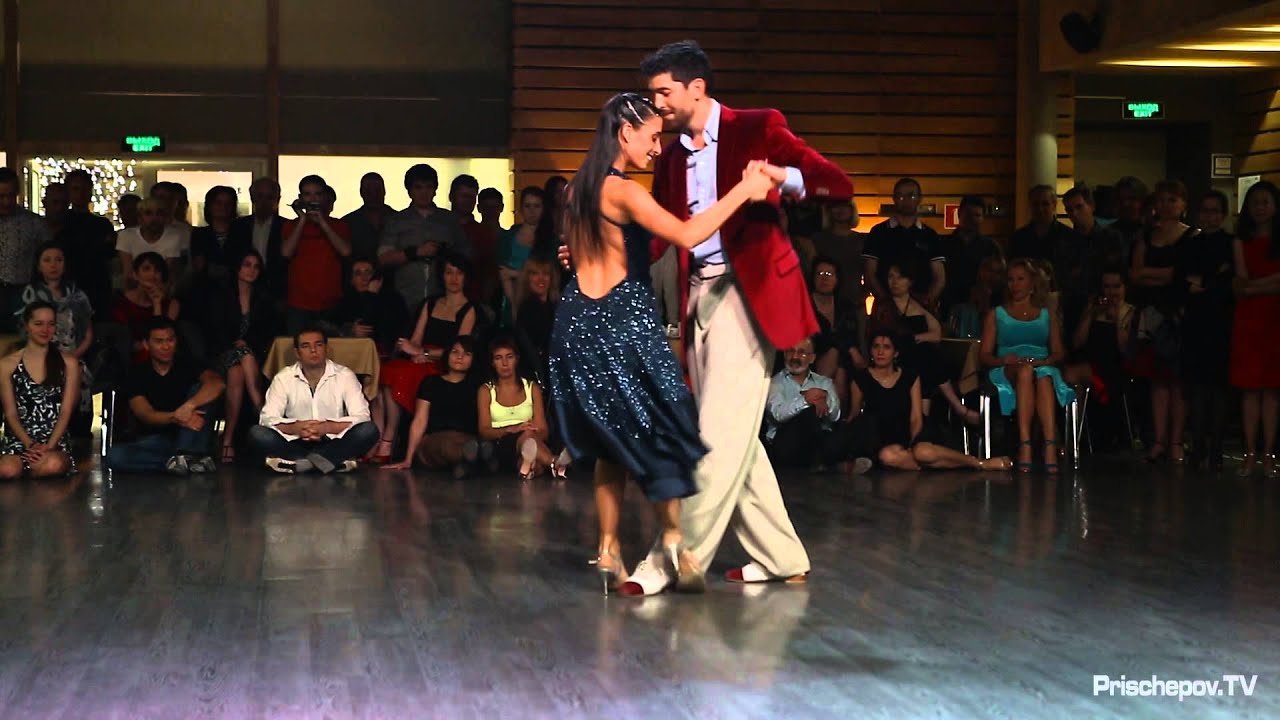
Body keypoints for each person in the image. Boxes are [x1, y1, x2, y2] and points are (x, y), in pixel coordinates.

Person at [616, 41, 852, 595]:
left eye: (663, 92)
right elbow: (663, 237)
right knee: (737, 434)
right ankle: (781, 554)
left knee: (715, 435)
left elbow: (836, 185)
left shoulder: (759, 127)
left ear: (696, 88)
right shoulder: (672, 157)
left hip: (751, 299)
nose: (657, 104)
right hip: (700, 298)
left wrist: (783, 178)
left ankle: (671, 560)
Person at [552, 86, 786, 596]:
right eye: (653, 138)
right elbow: (687, 235)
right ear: (625, 132)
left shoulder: (576, 188)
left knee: (610, 442)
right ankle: (677, 539)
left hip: (576, 320)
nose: (658, 149)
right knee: (666, 427)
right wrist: (741, 193)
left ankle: (609, 548)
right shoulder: (624, 191)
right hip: (620, 320)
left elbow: (589, 251)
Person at [850, 332, 1010, 471]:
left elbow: (916, 417)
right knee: (887, 456)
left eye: (886, 347)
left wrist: (911, 443)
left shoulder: (910, 377)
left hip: (912, 428)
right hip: (882, 436)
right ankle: (931, 465)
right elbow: (856, 415)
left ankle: (979, 463)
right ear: (870, 351)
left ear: (895, 353)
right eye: (876, 347)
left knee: (922, 452)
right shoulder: (861, 379)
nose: (880, 352)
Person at [371, 253, 477, 463]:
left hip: (444, 361)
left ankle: (388, 440)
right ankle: (381, 435)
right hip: (421, 357)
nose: (454, 278)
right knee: (387, 371)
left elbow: (460, 348)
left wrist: (425, 354)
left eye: (459, 273)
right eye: (448, 272)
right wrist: (412, 349)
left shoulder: (469, 309)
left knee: (400, 375)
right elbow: (416, 339)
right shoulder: (430, 303)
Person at [980, 259, 1074, 474]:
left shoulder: (1046, 314)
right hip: (1008, 367)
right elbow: (984, 355)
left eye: (1020, 279)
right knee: (1025, 372)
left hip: (1041, 365)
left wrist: (1045, 361)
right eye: (1011, 280)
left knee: (1043, 376)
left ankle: (1049, 445)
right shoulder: (997, 314)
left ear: (1032, 284)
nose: (1015, 284)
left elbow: (1059, 352)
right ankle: (1025, 445)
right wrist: (1004, 360)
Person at [1130, 180, 1197, 463]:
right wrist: (1162, 274)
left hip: (1180, 313)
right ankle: (1158, 441)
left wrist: (1154, 273)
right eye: (1162, 200)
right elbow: (1134, 274)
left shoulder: (1192, 236)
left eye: (1173, 200)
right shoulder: (1147, 235)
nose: (1167, 205)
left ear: (1183, 204)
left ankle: (1176, 441)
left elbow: (1180, 274)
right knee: (1157, 379)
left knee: (1178, 381)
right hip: (1152, 312)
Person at [250, 327, 378, 474]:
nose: (313, 350)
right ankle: (330, 461)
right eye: (306, 346)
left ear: (326, 348)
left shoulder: (345, 375)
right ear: (297, 353)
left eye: (318, 345)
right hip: (296, 440)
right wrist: (296, 428)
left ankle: (301, 463)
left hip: (333, 440)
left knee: (369, 430)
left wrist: (326, 427)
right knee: (257, 433)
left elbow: (362, 417)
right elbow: (267, 418)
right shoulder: (283, 377)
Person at [106, 317, 223, 475]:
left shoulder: (188, 365)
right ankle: (184, 461)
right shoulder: (136, 374)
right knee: (115, 456)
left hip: (190, 435)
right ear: (147, 345)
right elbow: (145, 414)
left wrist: (189, 406)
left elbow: (217, 383)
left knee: (200, 388)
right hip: (156, 440)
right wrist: (176, 417)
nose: (166, 346)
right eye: (159, 341)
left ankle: (185, 455)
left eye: (170, 340)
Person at [874, 264, 979, 425]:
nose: (894, 282)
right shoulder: (884, 306)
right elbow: (885, 337)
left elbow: (936, 334)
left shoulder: (919, 303)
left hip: (919, 358)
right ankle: (957, 409)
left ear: (910, 281)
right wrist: (915, 340)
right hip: (894, 356)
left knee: (926, 358)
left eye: (900, 277)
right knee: (926, 355)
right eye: (890, 277)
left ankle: (924, 424)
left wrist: (915, 338)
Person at [1180, 190, 1234, 469]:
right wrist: (1211, 279)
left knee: (1218, 388)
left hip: (1222, 321)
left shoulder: (1230, 243)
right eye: (1205, 210)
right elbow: (1183, 280)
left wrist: (1205, 282)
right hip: (1196, 322)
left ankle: (1216, 447)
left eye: (1215, 211)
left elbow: (1226, 281)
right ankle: (1198, 444)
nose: (1210, 216)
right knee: (1198, 387)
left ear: (1223, 215)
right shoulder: (1191, 242)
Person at [1230, 181, 1280, 478]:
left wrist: (1256, 287)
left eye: (1266, 202)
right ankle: (1249, 454)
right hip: (1249, 318)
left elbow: (1253, 284)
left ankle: (1269, 454)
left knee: (1272, 389)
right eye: (1254, 203)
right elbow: (1241, 284)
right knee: (1250, 389)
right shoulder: (1240, 241)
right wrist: (1268, 284)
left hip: (1275, 318)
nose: (1260, 208)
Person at [764, 337, 871, 473]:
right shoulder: (775, 382)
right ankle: (832, 465)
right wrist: (806, 400)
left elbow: (835, 416)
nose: (795, 356)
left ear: (812, 358)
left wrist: (824, 399)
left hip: (821, 441)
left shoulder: (824, 383)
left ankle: (823, 464)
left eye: (802, 353)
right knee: (809, 413)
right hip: (786, 444)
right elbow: (777, 414)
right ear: (785, 354)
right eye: (791, 351)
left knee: (861, 423)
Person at [209, 250, 275, 464]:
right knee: (242, 358)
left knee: (237, 372)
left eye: (256, 266)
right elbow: (216, 331)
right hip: (221, 352)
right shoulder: (222, 294)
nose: (252, 270)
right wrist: (238, 346)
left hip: (251, 358)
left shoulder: (262, 298)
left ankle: (227, 440)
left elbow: (266, 334)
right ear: (237, 267)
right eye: (247, 264)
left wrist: (248, 346)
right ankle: (262, 412)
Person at [0, 302, 79, 479]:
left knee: (52, 465)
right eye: (38, 324)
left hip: (54, 440)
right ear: (27, 325)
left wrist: (49, 446)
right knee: (7, 469)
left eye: (50, 324)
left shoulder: (68, 363)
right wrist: (30, 445)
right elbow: (10, 413)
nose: (45, 329)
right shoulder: (7, 364)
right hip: (20, 440)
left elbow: (66, 411)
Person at [385, 336, 483, 477]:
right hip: (434, 440)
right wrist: (408, 459)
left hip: (465, 438)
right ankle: (474, 460)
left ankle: (466, 464)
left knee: (468, 442)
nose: (459, 357)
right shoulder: (431, 382)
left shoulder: (477, 386)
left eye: (466, 354)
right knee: (448, 445)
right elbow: (419, 421)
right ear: (447, 354)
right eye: (455, 352)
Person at [1067, 268, 1136, 452]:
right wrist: (1090, 314)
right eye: (1107, 287)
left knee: (1070, 374)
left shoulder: (1130, 313)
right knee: (1073, 382)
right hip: (1089, 366)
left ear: (1124, 287)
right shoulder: (1094, 310)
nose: (1111, 292)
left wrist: (1118, 320)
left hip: (1115, 369)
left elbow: (1125, 352)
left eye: (1116, 287)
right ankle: (1075, 436)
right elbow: (1077, 343)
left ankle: (1070, 436)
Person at [479, 334, 556, 481]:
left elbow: (543, 430)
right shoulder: (485, 390)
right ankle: (554, 462)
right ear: (492, 363)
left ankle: (527, 467)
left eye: (509, 357)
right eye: (498, 358)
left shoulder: (532, 388)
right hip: (500, 444)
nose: (505, 363)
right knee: (527, 437)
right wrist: (511, 429)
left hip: (530, 445)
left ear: (517, 359)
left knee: (531, 459)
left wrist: (529, 437)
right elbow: (484, 431)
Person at [281, 175, 352, 335]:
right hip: (299, 304)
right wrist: (301, 219)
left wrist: (322, 222)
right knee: (299, 353)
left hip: (330, 303)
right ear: (300, 198)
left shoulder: (338, 225)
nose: (313, 199)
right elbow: (286, 252)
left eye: (317, 194)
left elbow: (345, 251)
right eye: (307, 194)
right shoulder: (290, 225)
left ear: (325, 197)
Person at [15, 242, 95, 364]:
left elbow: (87, 337)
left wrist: (70, 360)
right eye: (47, 260)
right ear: (38, 266)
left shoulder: (78, 297)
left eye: (58, 260)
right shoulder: (28, 296)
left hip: (73, 359)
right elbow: (24, 336)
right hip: (36, 361)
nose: (53, 265)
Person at [327, 258, 409, 358]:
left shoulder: (393, 299)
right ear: (351, 280)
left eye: (368, 272)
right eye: (358, 273)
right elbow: (331, 326)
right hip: (353, 354)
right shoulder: (344, 302)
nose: (364, 278)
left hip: (387, 355)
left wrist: (371, 296)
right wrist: (350, 330)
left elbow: (380, 326)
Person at [109, 252, 181, 363]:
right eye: (146, 269)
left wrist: (157, 304)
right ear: (135, 274)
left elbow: (161, 338)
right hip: (129, 357)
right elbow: (124, 342)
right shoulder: (121, 303)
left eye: (157, 271)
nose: (152, 274)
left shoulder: (172, 304)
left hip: (162, 355)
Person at [497, 186, 545, 324]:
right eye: (527, 206)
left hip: (540, 303)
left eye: (537, 206)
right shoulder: (506, 237)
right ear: (521, 208)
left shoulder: (550, 239)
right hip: (510, 300)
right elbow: (503, 273)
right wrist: (513, 306)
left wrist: (515, 273)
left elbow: (549, 274)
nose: (532, 211)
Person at [514, 256, 559, 383]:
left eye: (546, 274)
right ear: (527, 278)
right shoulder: (527, 309)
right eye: (535, 274)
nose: (541, 279)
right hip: (537, 376)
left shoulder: (556, 307)